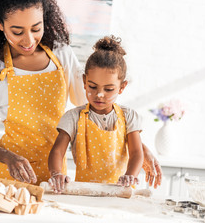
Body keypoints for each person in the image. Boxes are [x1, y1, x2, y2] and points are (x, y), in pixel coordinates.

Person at [0, 0, 162, 187]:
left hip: (57, 179)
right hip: (8, 180)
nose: (29, 40)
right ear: (0, 23)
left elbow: (95, 105)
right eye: (17, 32)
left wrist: (139, 146)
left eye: (36, 28)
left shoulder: (61, 55)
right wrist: (8, 158)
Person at [48, 36, 144, 192]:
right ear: (85, 81)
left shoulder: (129, 116)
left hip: (119, 193)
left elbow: (136, 153)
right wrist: (56, 173)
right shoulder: (73, 117)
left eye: (108, 89)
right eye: (92, 87)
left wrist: (130, 175)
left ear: (122, 87)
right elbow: (57, 151)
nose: (99, 94)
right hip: (86, 193)